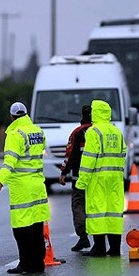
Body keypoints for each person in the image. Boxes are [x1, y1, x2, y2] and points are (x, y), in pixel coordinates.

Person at [0, 101, 50, 274]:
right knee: (37, 225)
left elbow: (10, 161)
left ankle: (25, 263)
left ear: (11, 116)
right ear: (26, 113)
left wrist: (0, 179)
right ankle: (38, 263)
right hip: (38, 184)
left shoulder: (15, 134)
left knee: (21, 228)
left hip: (22, 187)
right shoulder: (38, 131)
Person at [75, 100, 127, 257]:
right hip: (115, 179)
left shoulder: (93, 132)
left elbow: (88, 159)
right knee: (113, 212)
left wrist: (81, 182)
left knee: (97, 212)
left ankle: (99, 247)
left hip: (97, 178)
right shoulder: (116, 131)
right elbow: (123, 153)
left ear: (95, 113)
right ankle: (115, 248)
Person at [59, 105, 92, 252]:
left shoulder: (77, 133)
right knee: (97, 207)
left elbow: (70, 155)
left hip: (79, 177)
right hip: (98, 178)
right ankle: (101, 240)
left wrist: (63, 172)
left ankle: (83, 237)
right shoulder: (100, 132)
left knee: (78, 205)